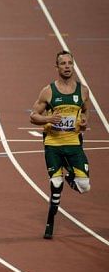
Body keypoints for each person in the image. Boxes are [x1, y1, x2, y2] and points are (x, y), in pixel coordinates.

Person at [30, 50, 91, 239]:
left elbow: (86, 112)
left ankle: (68, 175)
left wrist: (84, 122)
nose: (66, 66)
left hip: (73, 144)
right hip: (53, 144)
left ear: (73, 66)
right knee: (55, 184)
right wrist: (49, 118)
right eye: (63, 63)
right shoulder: (48, 91)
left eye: (69, 63)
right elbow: (33, 116)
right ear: (57, 67)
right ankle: (50, 219)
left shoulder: (83, 91)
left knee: (84, 186)